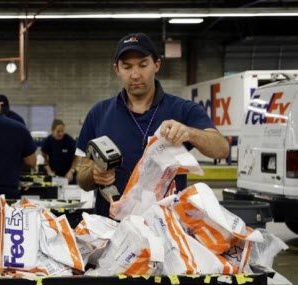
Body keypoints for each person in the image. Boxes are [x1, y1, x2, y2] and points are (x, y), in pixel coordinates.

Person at [76, 33, 229, 218]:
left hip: (165, 229)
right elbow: (82, 176)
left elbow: (221, 149)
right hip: (112, 230)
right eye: (127, 67)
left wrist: (190, 133)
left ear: (156, 64)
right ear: (117, 69)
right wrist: (93, 175)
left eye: (143, 65)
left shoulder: (182, 110)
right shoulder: (98, 114)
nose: (135, 74)